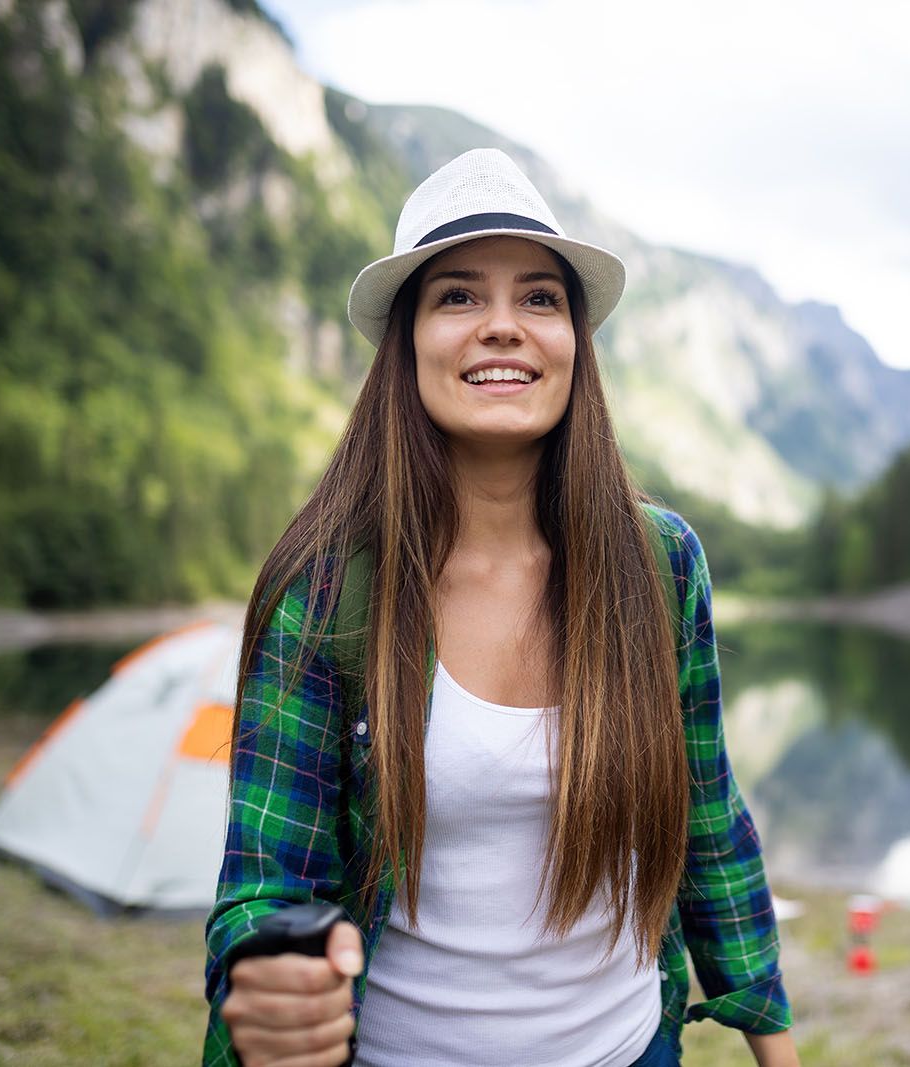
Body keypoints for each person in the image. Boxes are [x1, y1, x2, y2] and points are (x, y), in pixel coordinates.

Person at [201, 149, 798, 1067]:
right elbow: (266, 883)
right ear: (406, 341)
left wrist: (775, 1047)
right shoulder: (323, 587)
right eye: (457, 296)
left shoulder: (662, 564)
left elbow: (709, 821)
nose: (503, 327)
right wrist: (265, 976)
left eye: (539, 298)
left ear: (574, 343)